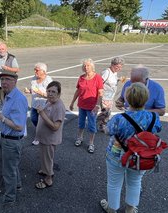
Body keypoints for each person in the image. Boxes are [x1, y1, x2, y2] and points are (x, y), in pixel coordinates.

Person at [100, 82, 162, 213]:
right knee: (135, 182)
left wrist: (104, 123)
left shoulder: (119, 118)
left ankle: (112, 209)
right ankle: (130, 209)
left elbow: (108, 131)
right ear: (146, 98)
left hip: (117, 156)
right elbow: (158, 129)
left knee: (114, 183)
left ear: (127, 99)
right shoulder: (153, 117)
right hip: (141, 156)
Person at [0, 70, 28, 205]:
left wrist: (1, 117)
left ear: (15, 81)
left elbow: (19, 126)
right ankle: (17, 185)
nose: (4, 82)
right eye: (2, 80)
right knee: (12, 166)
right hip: (8, 139)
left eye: (7, 79)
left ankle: (9, 198)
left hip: (11, 141)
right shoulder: (9, 95)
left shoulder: (18, 99)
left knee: (8, 171)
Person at [34, 81, 65, 189]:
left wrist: (42, 114)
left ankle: (48, 179)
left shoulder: (58, 106)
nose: (50, 94)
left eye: (53, 92)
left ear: (59, 94)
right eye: (49, 91)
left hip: (49, 139)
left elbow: (55, 126)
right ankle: (44, 169)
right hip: (44, 137)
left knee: (48, 158)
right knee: (45, 157)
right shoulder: (50, 101)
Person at [69, 58, 103, 153]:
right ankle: (79, 138)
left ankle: (91, 143)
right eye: (84, 65)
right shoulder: (81, 78)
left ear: (92, 67)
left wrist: (97, 105)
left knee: (92, 125)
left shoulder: (98, 78)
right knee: (81, 123)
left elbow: (100, 93)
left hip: (92, 106)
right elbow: (78, 91)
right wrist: (72, 102)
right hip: (82, 105)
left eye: (88, 65)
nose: (86, 67)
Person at [24, 62, 52, 145]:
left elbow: (51, 95)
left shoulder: (48, 81)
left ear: (43, 71)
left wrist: (39, 92)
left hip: (44, 106)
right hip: (35, 104)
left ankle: (38, 137)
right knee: (33, 119)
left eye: (37, 70)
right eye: (34, 70)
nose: (35, 72)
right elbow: (33, 89)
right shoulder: (34, 79)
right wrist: (29, 91)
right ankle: (41, 131)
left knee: (41, 122)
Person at [97, 57, 125, 132]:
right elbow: (99, 83)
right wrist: (99, 94)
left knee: (107, 112)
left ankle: (100, 124)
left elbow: (112, 81)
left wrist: (118, 79)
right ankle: (99, 124)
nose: (119, 69)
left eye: (120, 67)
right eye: (117, 67)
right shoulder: (106, 72)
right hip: (104, 96)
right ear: (112, 64)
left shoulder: (114, 72)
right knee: (106, 112)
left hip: (110, 97)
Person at [0, 43, 20, 109]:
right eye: (0, 49)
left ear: (6, 49)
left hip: (9, 81)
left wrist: (7, 68)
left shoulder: (11, 58)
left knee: (10, 95)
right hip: (0, 80)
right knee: (1, 93)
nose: (1, 50)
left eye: (3, 49)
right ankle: (2, 105)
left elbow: (17, 69)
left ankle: (11, 107)